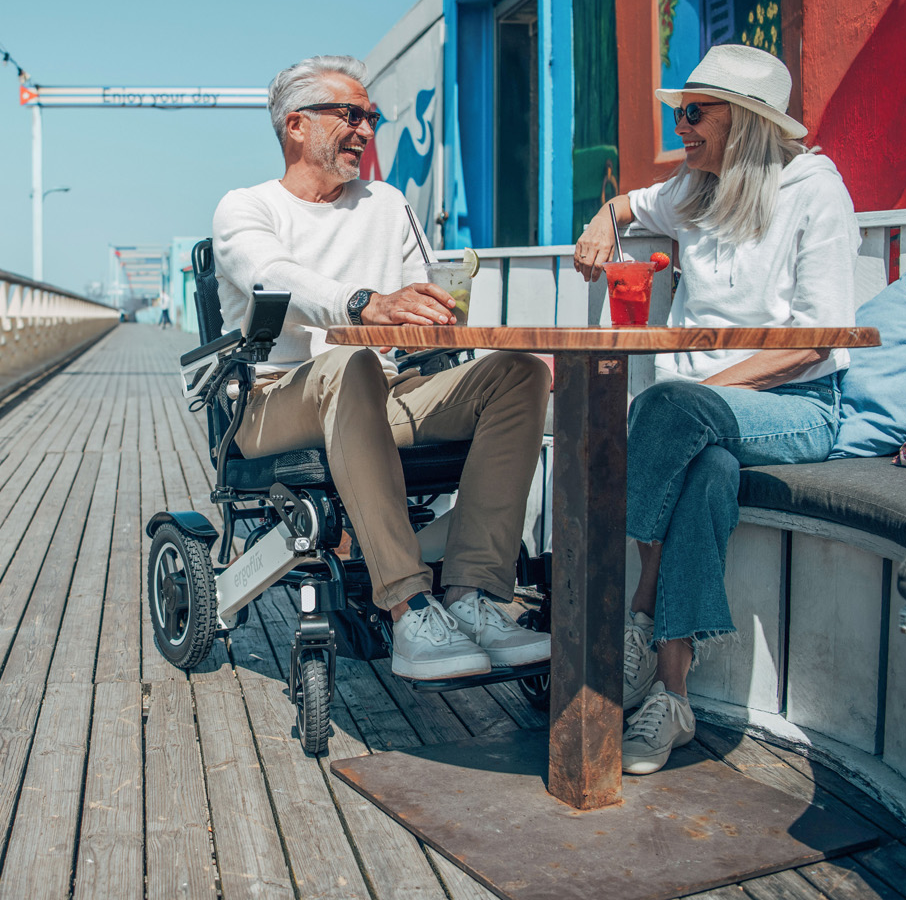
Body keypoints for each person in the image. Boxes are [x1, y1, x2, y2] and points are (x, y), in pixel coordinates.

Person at [213, 55, 552, 681]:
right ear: (295, 125)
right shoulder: (247, 208)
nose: (367, 129)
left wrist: (437, 313)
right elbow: (274, 278)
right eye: (351, 114)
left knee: (520, 373)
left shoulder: (388, 205)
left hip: (384, 391)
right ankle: (407, 605)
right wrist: (366, 302)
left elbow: (422, 298)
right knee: (349, 362)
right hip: (272, 403)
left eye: (371, 117)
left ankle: (474, 595)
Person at [573, 44, 859, 774]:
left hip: (795, 406)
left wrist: (711, 392)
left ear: (749, 121)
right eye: (680, 111)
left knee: (673, 410)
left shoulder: (814, 190)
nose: (682, 126)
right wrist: (608, 214)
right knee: (707, 474)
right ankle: (672, 698)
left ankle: (634, 605)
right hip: (698, 425)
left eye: (695, 112)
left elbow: (814, 342)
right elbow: (634, 201)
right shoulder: (696, 188)